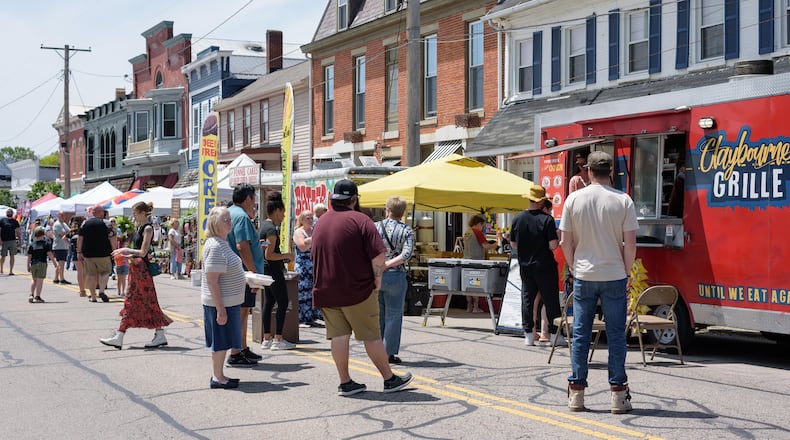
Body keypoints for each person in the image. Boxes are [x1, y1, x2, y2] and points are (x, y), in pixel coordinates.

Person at [312, 179, 413, 397]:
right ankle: (389, 378)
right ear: (355, 199)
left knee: (339, 336)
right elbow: (378, 254)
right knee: (371, 335)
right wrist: (377, 280)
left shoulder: (320, 222)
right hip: (357, 288)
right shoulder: (361, 220)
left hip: (326, 288)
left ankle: (345, 382)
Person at [559, 151, 639, 414]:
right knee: (616, 335)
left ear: (589, 171)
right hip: (614, 274)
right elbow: (630, 244)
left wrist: (574, 267)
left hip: (584, 274)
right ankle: (617, 394)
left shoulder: (574, 199)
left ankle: (577, 393)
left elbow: (565, 242)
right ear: (611, 172)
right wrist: (625, 272)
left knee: (581, 335)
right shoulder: (623, 200)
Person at [100, 201, 173, 349]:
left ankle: (120, 336)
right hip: (137, 268)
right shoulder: (139, 228)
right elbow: (139, 254)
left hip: (142, 271)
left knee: (135, 301)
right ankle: (158, 334)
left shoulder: (147, 229)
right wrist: (127, 256)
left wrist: (124, 250)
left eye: (134, 213)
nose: (133, 216)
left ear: (141, 213)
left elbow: (143, 252)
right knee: (143, 302)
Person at [510, 185, 565, 347]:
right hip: (545, 265)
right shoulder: (547, 220)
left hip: (525, 265)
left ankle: (528, 334)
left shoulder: (518, 219)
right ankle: (555, 335)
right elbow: (553, 245)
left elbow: (513, 244)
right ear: (541, 201)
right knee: (551, 299)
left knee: (527, 298)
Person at [201, 206, 246, 389]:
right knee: (220, 342)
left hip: (228, 302)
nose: (230, 223)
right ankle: (218, 377)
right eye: (225, 220)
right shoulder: (215, 245)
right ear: (214, 223)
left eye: (230, 220)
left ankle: (219, 375)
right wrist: (220, 309)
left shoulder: (221, 242)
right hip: (221, 303)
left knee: (223, 341)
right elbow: (212, 280)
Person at [225, 184, 263, 366]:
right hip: (243, 273)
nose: (254, 202)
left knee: (243, 312)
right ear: (248, 199)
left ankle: (242, 347)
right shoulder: (241, 216)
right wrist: (253, 272)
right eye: (254, 198)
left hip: (233, 271)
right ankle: (236, 352)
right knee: (241, 313)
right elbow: (242, 245)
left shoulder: (230, 212)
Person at [374, 195, 415, 364]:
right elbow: (407, 254)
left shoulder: (375, 227)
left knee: (379, 315)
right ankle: (388, 352)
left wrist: (380, 266)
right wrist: (389, 264)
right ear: (403, 212)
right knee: (394, 315)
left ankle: (376, 350)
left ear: (387, 210)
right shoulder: (407, 231)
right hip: (396, 274)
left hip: (376, 274)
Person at [259, 191, 296, 350]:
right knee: (282, 302)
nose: (283, 216)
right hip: (273, 271)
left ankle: (266, 338)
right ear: (277, 211)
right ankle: (278, 339)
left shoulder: (263, 226)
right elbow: (270, 254)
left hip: (265, 270)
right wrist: (286, 255)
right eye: (283, 212)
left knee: (268, 303)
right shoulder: (272, 230)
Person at [77, 205, 116, 302]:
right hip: (104, 253)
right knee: (105, 272)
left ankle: (93, 296)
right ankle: (101, 290)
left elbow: (80, 238)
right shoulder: (106, 223)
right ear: (100, 212)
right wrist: (114, 250)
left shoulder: (85, 223)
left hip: (89, 254)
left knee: (91, 275)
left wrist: (79, 251)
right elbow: (112, 238)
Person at [462, 214, 498, 313]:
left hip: (466, 260)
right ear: (478, 224)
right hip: (476, 261)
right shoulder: (477, 232)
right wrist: (495, 245)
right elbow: (485, 246)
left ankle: (468, 306)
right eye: (482, 225)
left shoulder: (467, 232)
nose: (482, 228)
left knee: (467, 284)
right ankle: (476, 307)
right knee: (476, 283)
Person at [293, 210, 322, 327]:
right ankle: (300, 319)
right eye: (307, 218)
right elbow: (302, 247)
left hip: (314, 264)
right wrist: (313, 239)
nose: (310, 221)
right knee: (302, 292)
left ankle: (310, 317)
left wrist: (310, 240)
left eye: (311, 218)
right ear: (302, 220)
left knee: (312, 291)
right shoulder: (298, 232)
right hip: (303, 265)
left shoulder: (313, 231)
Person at [26, 227, 57, 303]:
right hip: (42, 263)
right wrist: (54, 263)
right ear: (43, 235)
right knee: (40, 280)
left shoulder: (32, 244)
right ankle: (38, 297)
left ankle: (31, 294)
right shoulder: (46, 244)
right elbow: (49, 254)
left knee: (34, 279)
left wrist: (28, 265)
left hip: (33, 263)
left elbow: (29, 256)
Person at [51, 211, 72, 284]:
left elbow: (70, 231)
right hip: (59, 247)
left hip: (63, 246)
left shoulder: (64, 224)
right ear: (58, 216)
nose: (64, 217)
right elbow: (63, 234)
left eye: (64, 215)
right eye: (62, 215)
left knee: (60, 263)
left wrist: (69, 233)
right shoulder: (57, 224)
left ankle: (56, 278)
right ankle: (62, 279)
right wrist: (68, 233)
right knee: (61, 264)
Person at [0, 208, 21, 275]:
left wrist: (20, 240)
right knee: (3, 256)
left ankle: (11, 271)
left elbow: (18, 231)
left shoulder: (15, 222)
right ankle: (1, 268)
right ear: (6, 213)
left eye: (10, 212)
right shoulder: (2, 221)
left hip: (12, 240)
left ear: (12, 213)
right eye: (8, 212)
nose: (9, 213)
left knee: (12, 256)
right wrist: (0, 240)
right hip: (4, 241)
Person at [70, 216, 87, 296]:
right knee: (85, 272)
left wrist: (71, 246)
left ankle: (81, 290)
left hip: (75, 253)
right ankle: (84, 288)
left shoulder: (73, 230)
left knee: (80, 272)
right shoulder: (84, 230)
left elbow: (64, 238)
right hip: (84, 252)